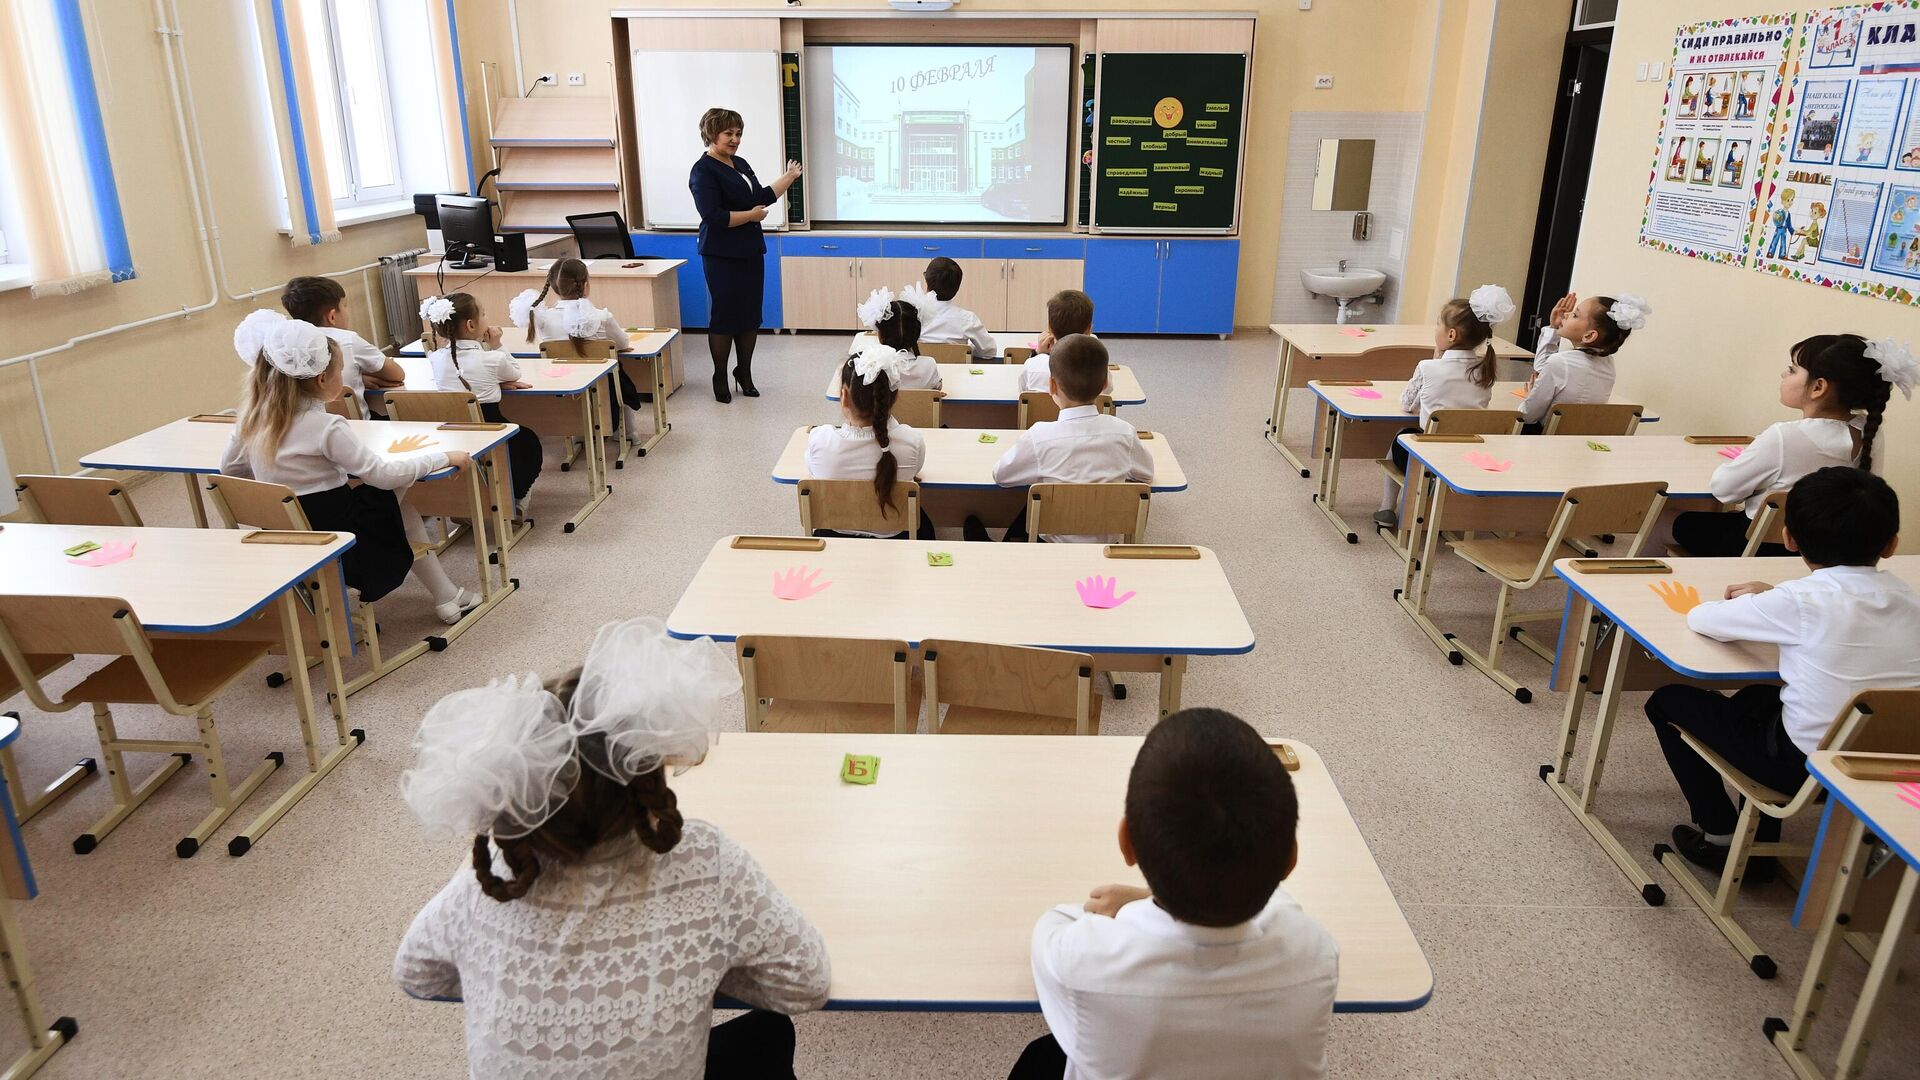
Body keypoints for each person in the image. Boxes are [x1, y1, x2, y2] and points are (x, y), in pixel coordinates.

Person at [394, 617, 832, 1079]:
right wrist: (699, 975)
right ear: (645, 771)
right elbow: (805, 984)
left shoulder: (495, 876)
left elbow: (416, 973)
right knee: (768, 1031)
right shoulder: (703, 860)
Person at [1013, 707, 1338, 1080]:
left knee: (1041, 1057)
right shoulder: (1317, 954)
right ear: (1291, 860)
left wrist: (1139, 903)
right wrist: (1146, 898)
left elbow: (1052, 925)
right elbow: (1276, 906)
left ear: (1126, 843)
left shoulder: (1085, 962)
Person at [1647, 467, 1920, 875]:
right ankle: (1758, 838)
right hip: (1895, 763)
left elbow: (1704, 619)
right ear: (1891, 545)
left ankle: (1720, 836)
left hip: (1806, 770)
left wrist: (1768, 602)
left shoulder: (1798, 601)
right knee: (1760, 696)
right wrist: (1777, 600)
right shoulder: (1909, 598)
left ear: (1789, 539)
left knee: (1667, 701)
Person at [222, 309, 479, 624]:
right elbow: (384, 476)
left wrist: (276, 475)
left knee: (401, 507)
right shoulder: (327, 426)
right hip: (346, 542)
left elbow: (230, 471)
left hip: (289, 541)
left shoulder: (250, 420)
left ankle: (447, 595)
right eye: (340, 370)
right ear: (321, 379)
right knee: (395, 486)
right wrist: (444, 457)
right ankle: (446, 596)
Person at [1671, 335, 1908, 558]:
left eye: (1792, 369)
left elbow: (1724, 490)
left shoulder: (1783, 436)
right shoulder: (1869, 431)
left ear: (1818, 387)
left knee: (1672, 520)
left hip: (1758, 545)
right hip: (1826, 551)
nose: (1783, 374)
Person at [965, 335, 1153, 544]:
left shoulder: (1039, 437)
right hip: (1106, 549)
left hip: (1051, 547)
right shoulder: (1125, 433)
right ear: (1105, 384)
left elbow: (1001, 476)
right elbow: (1146, 474)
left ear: (1052, 386)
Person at [1373, 285, 1511, 530]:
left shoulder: (1428, 367)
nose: (1435, 329)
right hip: (1468, 456)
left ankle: (1387, 507)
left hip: (1428, 458)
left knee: (1401, 436)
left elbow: (1407, 404)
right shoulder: (1485, 371)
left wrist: (1435, 359)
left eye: (1438, 324)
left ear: (1451, 335)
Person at [689, 107, 802, 403]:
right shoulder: (703, 170)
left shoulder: (739, 163)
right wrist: (751, 216)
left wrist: (790, 176)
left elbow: (760, 197)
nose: (735, 139)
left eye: (738, 133)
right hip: (721, 254)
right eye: (728, 133)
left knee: (750, 315)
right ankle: (719, 376)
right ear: (712, 133)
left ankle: (744, 372)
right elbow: (714, 216)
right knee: (725, 315)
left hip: (750, 250)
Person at [422, 293, 542, 521]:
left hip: (452, 432)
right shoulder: (492, 359)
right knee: (528, 443)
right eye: (484, 314)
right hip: (490, 430)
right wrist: (496, 345)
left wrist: (493, 381)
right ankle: (516, 501)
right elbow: (514, 372)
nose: (487, 318)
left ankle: (465, 506)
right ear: (471, 325)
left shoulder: (436, 357)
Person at [807, 341, 932, 539]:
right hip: (896, 538)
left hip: (835, 537)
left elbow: (814, 472)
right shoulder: (912, 442)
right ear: (894, 396)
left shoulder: (820, 440)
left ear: (843, 396)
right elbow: (914, 471)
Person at [509, 258, 648, 434]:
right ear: (586, 285)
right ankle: (627, 432)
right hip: (604, 385)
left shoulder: (544, 319)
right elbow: (622, 343)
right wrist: (612, 348)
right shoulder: (601, 316)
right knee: (618, 371)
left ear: (554, 287)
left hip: (563, 384)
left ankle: (577, 433)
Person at [280, 276, 405, 419]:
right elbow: (397, 375)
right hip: (358, 426)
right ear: (332, 317)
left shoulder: (286, 344)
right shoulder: (348, 340)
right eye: (345, 306)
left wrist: (358, 377)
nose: (347, 311)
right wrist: (360, 375)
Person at [1519, 292, 1648, 431]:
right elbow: (1544, 369)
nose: (1566, 314)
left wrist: (1530, 397)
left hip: (1545, 439)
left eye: (1575, 315)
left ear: (1589, 335)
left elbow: (1528, 416)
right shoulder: (1608, 363)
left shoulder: (1560, 362)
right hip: (1583, 439)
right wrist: (1554, 328)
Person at [856, 287, 942, 390]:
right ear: (916, 334)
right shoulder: (929, 366)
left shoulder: (872, 367)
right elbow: (937, 389)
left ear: (880, 336)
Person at [916, 257, 997, 360]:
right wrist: (968, 350)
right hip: (957, 369)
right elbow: (989, 351)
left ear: (927, 283)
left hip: (923, 370)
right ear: (957, 288)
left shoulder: (914, 315)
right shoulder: (968, 319)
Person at [1021, 290, 1097, 394]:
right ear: (1089, 329)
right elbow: (1107, 390)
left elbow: (1022, 392)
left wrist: (1037, 354)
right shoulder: (1098, 365)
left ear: (1049, 327)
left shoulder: (1033, 364)